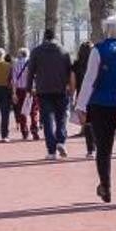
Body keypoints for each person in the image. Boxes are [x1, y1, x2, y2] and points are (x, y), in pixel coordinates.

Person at [76, 14, 116, 207]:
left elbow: (89, 80)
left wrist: (81, 106)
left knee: (103, 150)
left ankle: (105, 186)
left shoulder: (98, 50)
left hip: (101, 107)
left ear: (107, 30)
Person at [25, 29, 74, 159]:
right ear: (55, 37)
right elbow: (70, 71)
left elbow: (30, 71)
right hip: (61, 89)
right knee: (61, 118)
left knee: (47, 120)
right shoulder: (64, 51)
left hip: (43, 90)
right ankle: (61, 141)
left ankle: (51, 151)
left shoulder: (36, 51)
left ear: (44, 37)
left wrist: (28, 88)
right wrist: (71, 88)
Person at [72, 41, 96, 158]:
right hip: (96, 94)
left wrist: (72, 95)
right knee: (97, 122)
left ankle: (90, 149)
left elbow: (73, 81)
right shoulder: (97, 62)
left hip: (82, 94)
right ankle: (97, 145)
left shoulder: (76, 64)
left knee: (87, 123)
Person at [10, 47, 39, 141]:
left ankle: (24, 131)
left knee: (22, 111)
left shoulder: (15, 64)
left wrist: (14, 93)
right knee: (33, 111)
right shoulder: (32, 63)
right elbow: (36, 77)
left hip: (19, 90)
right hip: (31, 90)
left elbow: (14, 80)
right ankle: (34, 129)